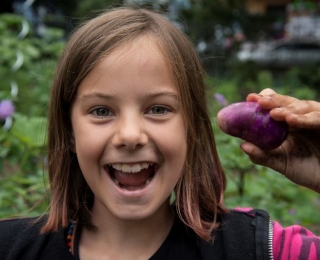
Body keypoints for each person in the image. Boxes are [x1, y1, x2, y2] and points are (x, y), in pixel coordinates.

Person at [0, 7, 320, 260]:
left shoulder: (264, 248)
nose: (129, 135)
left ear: (191, 128)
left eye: (158, 109)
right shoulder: (11, 248)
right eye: (101, 111)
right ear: (69, 130)